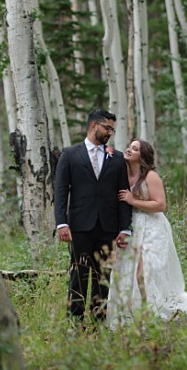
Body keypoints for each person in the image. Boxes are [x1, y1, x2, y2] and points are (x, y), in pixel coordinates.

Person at [107, 139, 187, 327]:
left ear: (142, 156)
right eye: (130, 146)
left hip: (153, 227)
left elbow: (160, 205)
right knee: (127, 270)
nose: (129, 149)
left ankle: (152, 312)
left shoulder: (150, 176)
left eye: (135, 148)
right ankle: (132, 314)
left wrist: (133, 201)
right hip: (133, 227)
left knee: (146, 271)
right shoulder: (123, 173)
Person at [53, 110, 133, 323]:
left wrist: (125, 228)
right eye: (107, 128)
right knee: (79, 276)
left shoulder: (116, 157)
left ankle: (99, 324)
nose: (110, 133)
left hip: (108, 227)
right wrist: (61, 223)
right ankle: (75, 324)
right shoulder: (70, 154)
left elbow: (122, 194)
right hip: (79, 226)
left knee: (103, 278)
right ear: (93, 126)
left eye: (112, 130)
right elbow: (60, 191)